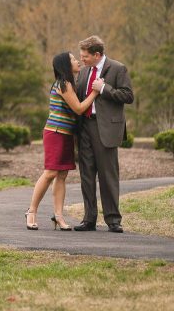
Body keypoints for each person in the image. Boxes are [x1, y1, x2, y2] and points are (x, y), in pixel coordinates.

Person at [25, 52, 103, 231]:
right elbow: (79, 109)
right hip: (56, 133)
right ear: (66, 66)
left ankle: (58, 216)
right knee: (50, 173)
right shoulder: (64, 84)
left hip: (66, 134)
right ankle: (31, 211)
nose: (78, 61)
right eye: (74, 59)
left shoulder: (70, 84)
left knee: (61, 175)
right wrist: (95, 91)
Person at [74, 35, 134, 233]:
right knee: (87, 175)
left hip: (106, 129)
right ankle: (89, 219)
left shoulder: (118, 68)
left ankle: (113, 220)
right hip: (85, 129)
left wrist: (105, 88)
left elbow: (128, 96)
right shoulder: (83, 73)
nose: (82, 59)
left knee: (108, 176)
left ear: (97, 54)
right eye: (81, 56)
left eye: (85, 56)